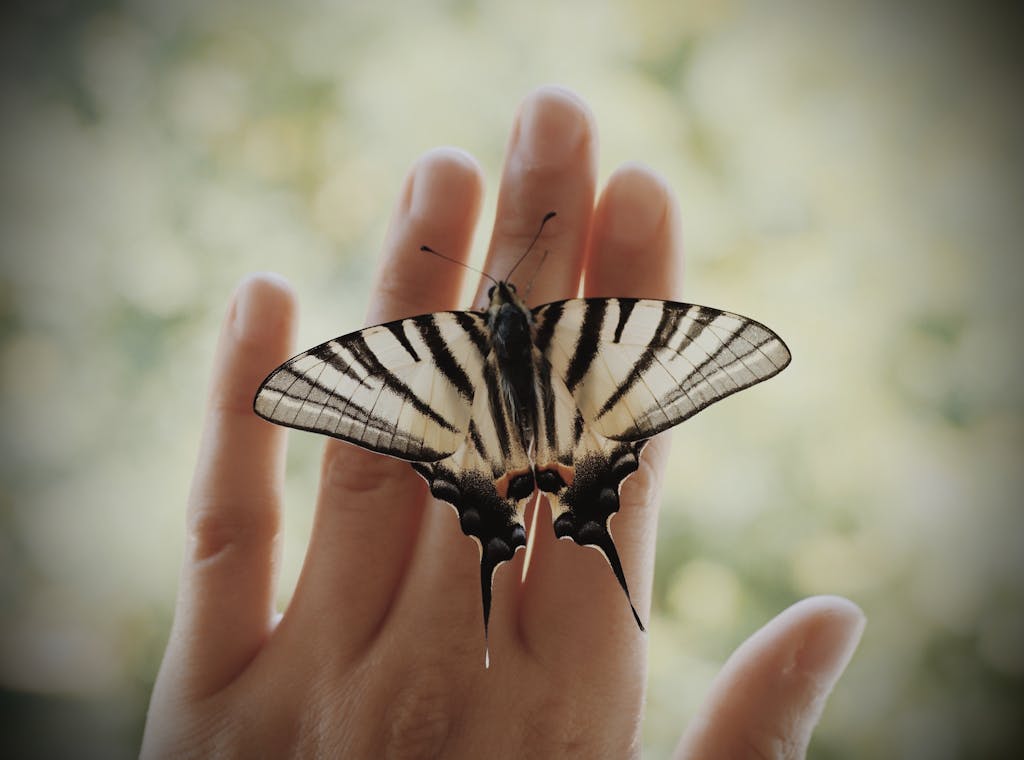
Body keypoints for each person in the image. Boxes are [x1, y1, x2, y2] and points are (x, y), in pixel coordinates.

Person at [140, 86, 865, 758]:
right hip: (565, 434)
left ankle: (520, 518)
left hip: (478, 445)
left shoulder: (444, 344)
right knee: (593, 497)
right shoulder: (578, 330)